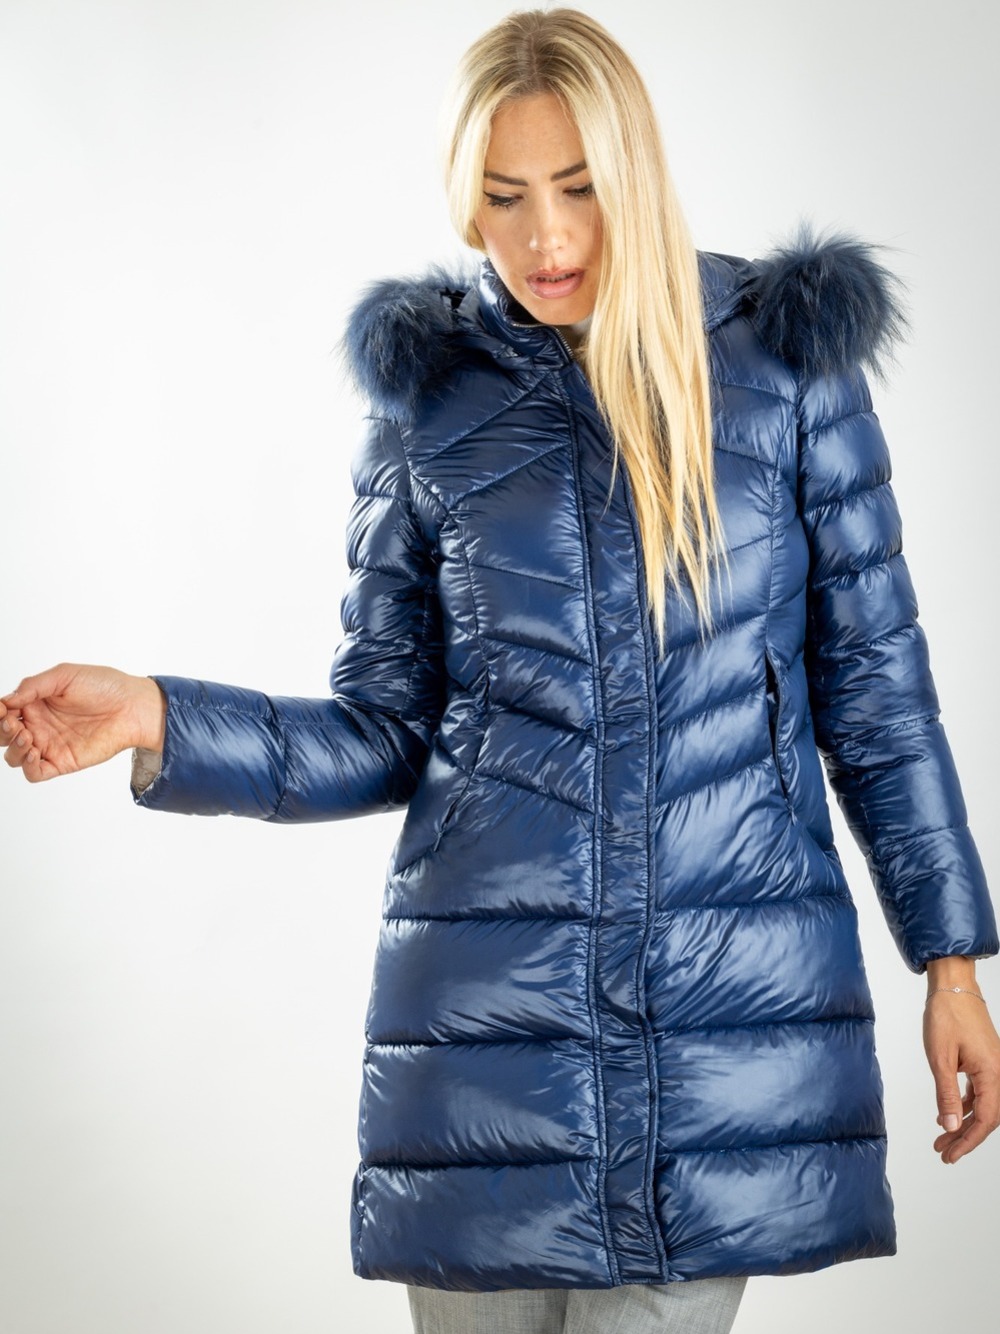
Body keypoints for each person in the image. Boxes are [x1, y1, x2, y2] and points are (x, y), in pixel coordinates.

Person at [3, 7, 999, 1333]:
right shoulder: (433, 398)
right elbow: (383, 728)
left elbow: (877, 697)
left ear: (637, 173)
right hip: (482, 1051)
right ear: (463, 198)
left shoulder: (784, 365)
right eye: (505, 195)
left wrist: (950, 959)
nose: (545, 239)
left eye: (579, 188)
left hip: (715, 1039)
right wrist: (158, 718)